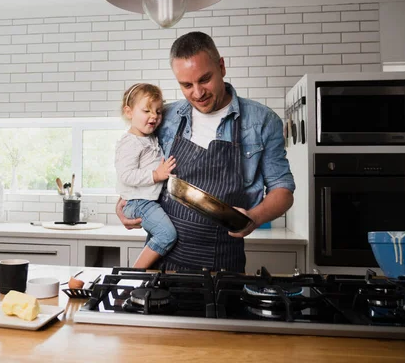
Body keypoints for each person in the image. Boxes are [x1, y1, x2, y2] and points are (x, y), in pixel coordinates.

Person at [116, 31, 295, 273]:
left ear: (221, 66)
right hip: (162, 262)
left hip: (221, 264)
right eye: (186, 85)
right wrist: (124, 205)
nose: (197, 93)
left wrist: (254, 217)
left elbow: (283, 190)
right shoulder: (164, 117)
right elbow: (136, 162)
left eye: (205, 79)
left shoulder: (261, 121)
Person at [115, 83, 178, 269]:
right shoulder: (130, 142)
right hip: (138, 202)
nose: (154, 116)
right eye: (146, 110)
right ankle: (135, 272)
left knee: (162, 234)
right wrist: (156, 175)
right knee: (167, 235)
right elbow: (126, 175)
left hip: (144, 201)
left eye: (158, 112)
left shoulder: (148, 137)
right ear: (129, 112)